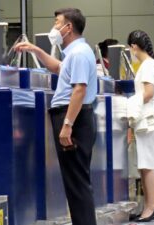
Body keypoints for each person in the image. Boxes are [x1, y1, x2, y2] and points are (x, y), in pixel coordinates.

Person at [15, 8, 98, 225]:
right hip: (74, 118)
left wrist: (68, 124)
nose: (54, 27)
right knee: (75, 182)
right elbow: (59, 68)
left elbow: (79, 89)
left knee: (77, 183)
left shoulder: (79, 53)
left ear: (68, 27)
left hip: (74, 119)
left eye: (57, 22)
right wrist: (35, 50)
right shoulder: (74, 52)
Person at [127, 30, 154, 222]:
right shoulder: (148, 64)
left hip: (148, 114)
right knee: (144, 163)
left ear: (134, 46)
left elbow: (148, 92)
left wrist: (132, 103)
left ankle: (152, 205)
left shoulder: (148, 65)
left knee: (148, 163)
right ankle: (148, 205)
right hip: (147, 114)